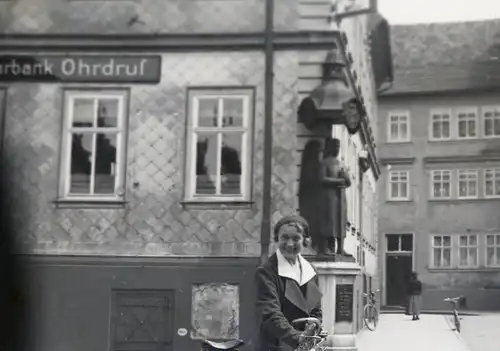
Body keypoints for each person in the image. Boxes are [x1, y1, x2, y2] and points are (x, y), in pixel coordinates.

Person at [255, 215, 323, 351]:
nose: (290, 244)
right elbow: (271, 314)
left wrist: (312, 333)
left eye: (296, 238)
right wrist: (298, 338)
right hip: (277, 345)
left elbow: (316, 311)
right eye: (284, 237)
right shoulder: (267, 272)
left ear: (305, 241)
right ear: (277, 239)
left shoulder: (311, 271)